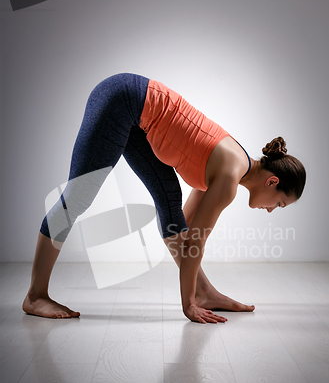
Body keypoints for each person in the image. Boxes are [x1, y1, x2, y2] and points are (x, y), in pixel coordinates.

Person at [22, 73, 306, 323]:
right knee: (77, 198)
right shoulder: (230, 176)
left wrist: (193, 288)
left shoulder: (234, 163)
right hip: (122, 100)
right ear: (272, 181)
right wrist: (188, 306)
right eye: (279, 203)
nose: (271, 211)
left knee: (169, 201)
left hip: (137, 116)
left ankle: (204, 292)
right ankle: (36, 296)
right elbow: (195, 242)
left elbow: (185, 223)